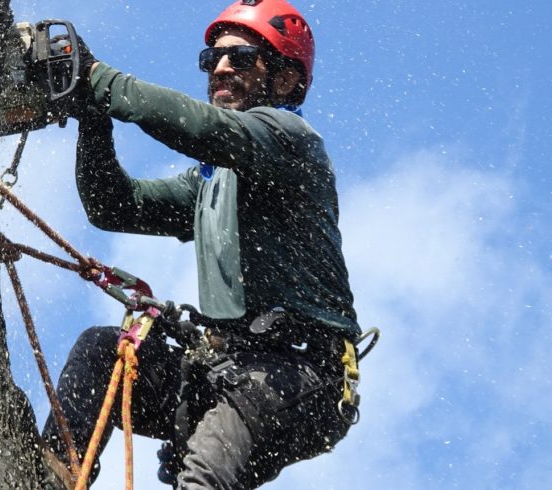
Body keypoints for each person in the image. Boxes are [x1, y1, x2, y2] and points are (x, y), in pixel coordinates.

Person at [43, 0, 362, 487]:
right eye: (212, 59)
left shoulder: (291, 140)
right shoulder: (213, 181)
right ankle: (55, 474)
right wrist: (92, 116)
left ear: (283, 81)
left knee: (204, 476)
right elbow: (114, 206)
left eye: (241, 57)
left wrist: (96, 79)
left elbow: (206, 130)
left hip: (299, 371)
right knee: (100, 353)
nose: (221, 67)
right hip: (227, 370)